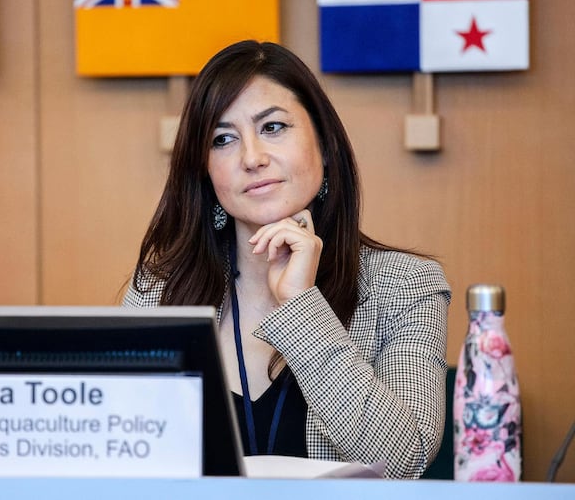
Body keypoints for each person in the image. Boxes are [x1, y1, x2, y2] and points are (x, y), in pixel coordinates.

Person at [122, 40, 450, 479]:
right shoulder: (157, 290)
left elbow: (403, 460)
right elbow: (123, 456)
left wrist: (301, 306)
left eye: (273, 127)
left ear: (326, 147)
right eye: (223, 139)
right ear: (206, 171)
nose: (252, 158)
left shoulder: (407, 285)